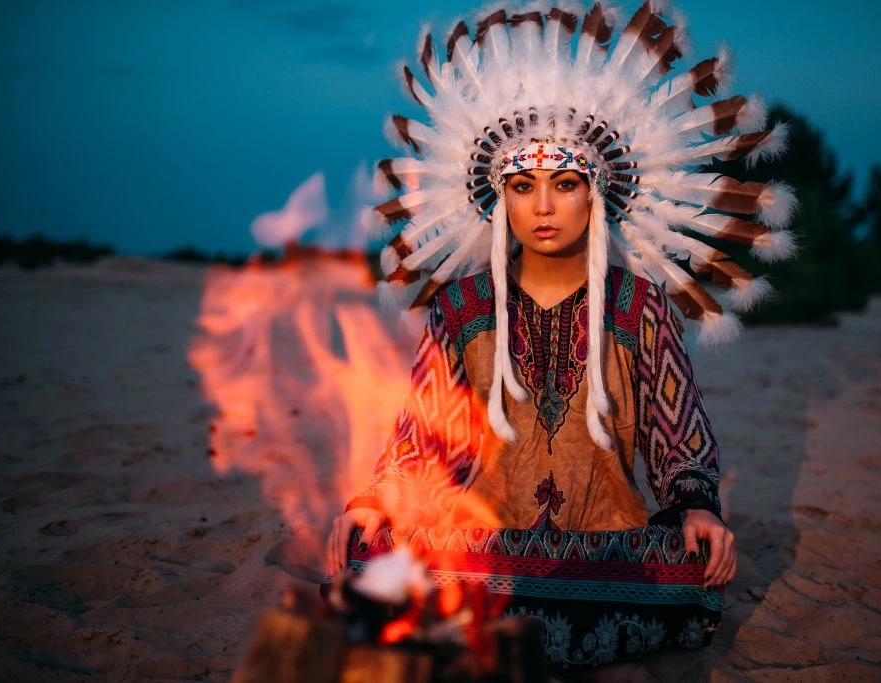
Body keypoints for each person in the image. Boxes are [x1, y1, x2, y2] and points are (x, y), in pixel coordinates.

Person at [325, 2, 797, 676]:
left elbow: (678, 436)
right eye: (522, 185)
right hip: (482, 549)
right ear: (499, 198)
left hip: (609, 552)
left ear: (596, 194)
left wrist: (696, 506)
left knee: (694, 566)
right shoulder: (461, 308)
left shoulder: (642, 308)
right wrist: (372, 502)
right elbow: (420, 439)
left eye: (565, 183)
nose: (542, 206)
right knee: (366, 557)